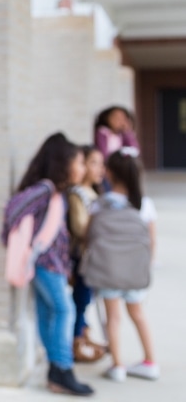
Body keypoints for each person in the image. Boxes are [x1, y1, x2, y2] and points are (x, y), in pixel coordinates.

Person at [7, 133, 93, 397]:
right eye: (79, 163)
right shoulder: (45, 189)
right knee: (64, 310)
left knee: (48, 311)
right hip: (45, 264)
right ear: (63, 163)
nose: (83, 169)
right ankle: (62, 368)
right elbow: (14, 210)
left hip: (54, 265)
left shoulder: (58, 193)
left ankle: (56, 370)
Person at [88, 148, 159, 383]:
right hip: (135, 272)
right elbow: (151, 242)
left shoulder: (99, 205)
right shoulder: (144, 205)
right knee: (138, 314)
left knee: (113, 317)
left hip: (108, 271)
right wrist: (145, 268)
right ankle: (150, 362)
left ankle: (117, 365)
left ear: (108, 173)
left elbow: (89, 237)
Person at [66, 145, 106, 363]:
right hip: (82, 258)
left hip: (95, 258)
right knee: (80, 300)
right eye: (92, 163)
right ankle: (76, 343)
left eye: (101, 163)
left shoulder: (96, 192)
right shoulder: (77, 194)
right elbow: (80, 227)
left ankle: (84, 336)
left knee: (87, 300)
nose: (100, 168)